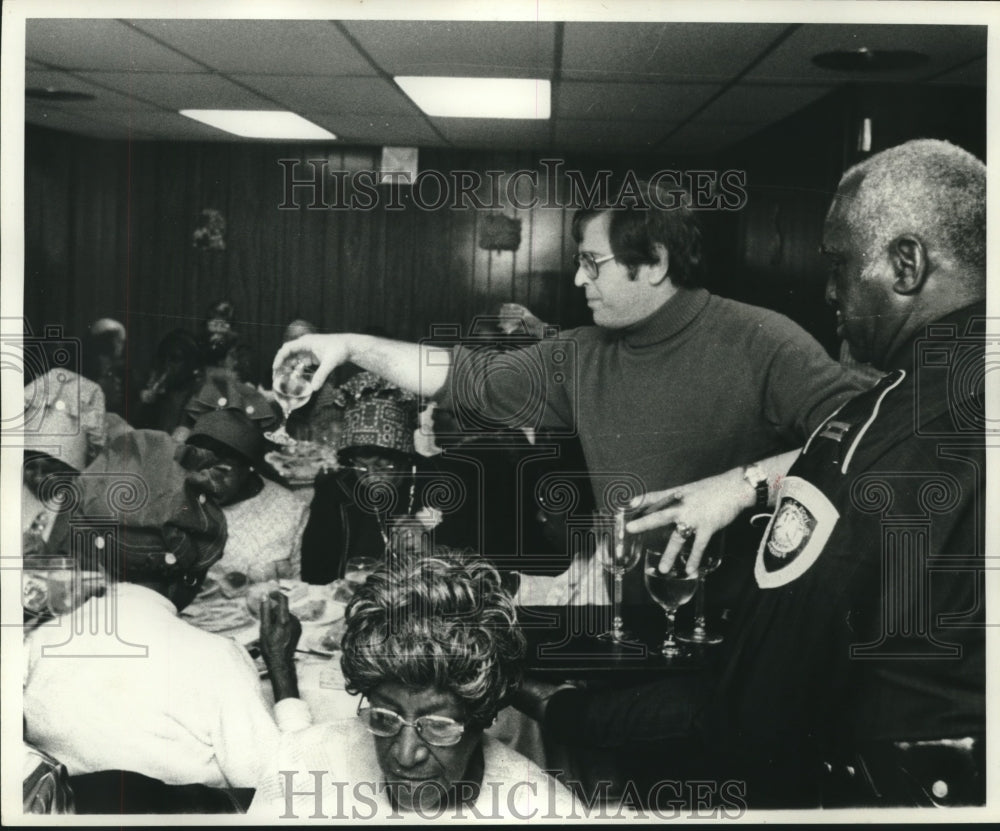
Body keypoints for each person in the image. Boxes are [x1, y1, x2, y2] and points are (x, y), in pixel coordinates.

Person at [528, 139, 988, 808]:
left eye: (838, 263)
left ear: (906, 264)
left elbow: (759, 704)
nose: (829, 288)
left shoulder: (878, 430)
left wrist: (559, 711)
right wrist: (743, 484)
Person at [275, 179, 866, 610]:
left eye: (592, 263)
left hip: (745, 624)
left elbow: (877, 437)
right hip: (630, 613)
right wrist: (348, 345)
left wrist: (742, 485)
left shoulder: (762, 340)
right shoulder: (583, 354)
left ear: (654, 263)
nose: (578, 280)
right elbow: (460, 374)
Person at [22, 429, 311, 790]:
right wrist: (282, 670)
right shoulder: (218, 661)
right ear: (193, 570)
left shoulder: (42, 640)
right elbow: (291, 788)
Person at [250, 549, 576, 819]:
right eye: (385, 717)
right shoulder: (299, 768)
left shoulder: (541, 809)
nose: (406, 756)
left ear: (484, 715)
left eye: (436, 726)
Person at [299, 372, 425, 584]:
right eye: (361, 465)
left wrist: (429, 549)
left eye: (382, 465)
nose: (371, 475)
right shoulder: (334, 491)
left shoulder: (432, 486)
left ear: (405, 459)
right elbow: (314, 572)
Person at [184, 407, 308, 582]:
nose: (206, 479)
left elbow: (302, 589)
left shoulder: (291, 510)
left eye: (221, 470)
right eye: (199, 466)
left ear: (249, 468)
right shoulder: (178, 497)